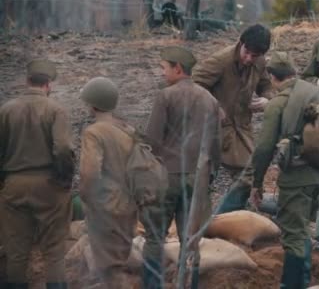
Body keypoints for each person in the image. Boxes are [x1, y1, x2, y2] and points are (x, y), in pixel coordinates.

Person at [248, 52, 319, 288]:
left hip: (297, 179)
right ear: (294, 73)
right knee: (302, 229)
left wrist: (256, 183)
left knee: (294, 233)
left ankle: (294, 284)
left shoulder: (277, 104)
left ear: (272, 77)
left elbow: (263, 148)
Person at [142, 46, 221, 288]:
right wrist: (210, 175)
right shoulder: (210, 99)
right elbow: (216, 143)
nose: (162, 73)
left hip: (167, 176)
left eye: (164, 67)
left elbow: (152, 140)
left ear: (178, 69)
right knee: (192, 239)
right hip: (197, 178)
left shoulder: (165, 96)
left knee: (155, 238)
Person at [0, 60, 75, 289]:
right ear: (49, 84)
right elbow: (62, 148)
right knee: (54, 253)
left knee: (16, 253)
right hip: (49, 185)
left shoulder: (6, 109)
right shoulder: (56, 110)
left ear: (26, 81)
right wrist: (64, 178)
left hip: (13, 185)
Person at [192, 23, 273, 214]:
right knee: (202, 180)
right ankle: (206, 224)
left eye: (254, 56)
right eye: (247, 52)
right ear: (241, 43)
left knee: (248, 177)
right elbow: (193, 85)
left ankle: (222, 219)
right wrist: (214, 106)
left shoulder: (259, 62)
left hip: (241, 128)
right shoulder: (221, 61)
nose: (248, 58)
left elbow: (267, 86)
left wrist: (266, 100)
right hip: (214, 129)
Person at [78, 77, 138, 288]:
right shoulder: (128, 130)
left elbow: (90, 173)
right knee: (120, 261)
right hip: (129, 205)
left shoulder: (94, 133)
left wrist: (86, 198)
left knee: (110, 268)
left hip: (105, 208)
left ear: (93, 104)